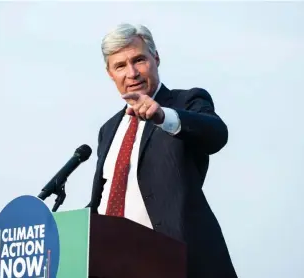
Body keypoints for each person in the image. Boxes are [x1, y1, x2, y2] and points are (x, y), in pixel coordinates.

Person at [87, 23, 237, 277]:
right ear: (110, 73)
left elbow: (216, 135)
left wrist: (162, 116)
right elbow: (105, 198)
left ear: (156, 58)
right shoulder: (108, 129)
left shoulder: (185, 102)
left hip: (176, 261)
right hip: (114, 262)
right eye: (120, 66)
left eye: (139, 60)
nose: (131, 73)